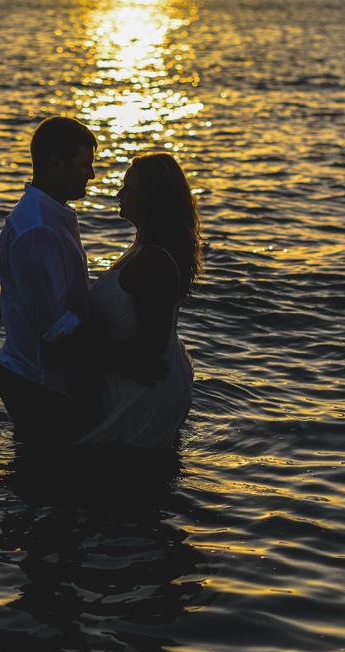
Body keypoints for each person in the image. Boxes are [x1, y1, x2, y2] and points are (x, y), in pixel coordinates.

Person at [76, 152, 202, 449]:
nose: (119, 194)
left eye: (128, 189)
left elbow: (154, 343)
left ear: (151, 199)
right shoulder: (142, 248)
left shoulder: (153, 260)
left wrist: (84, 353)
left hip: (145, 389)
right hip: (135, 381)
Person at [0, 116, 99, 444]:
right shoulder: (37, 228)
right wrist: (122, 357)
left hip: (45, 380)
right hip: (40, 384)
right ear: (56, 164)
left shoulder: (51, 216)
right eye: (84, 165)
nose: (92, 175)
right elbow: (56, 326)